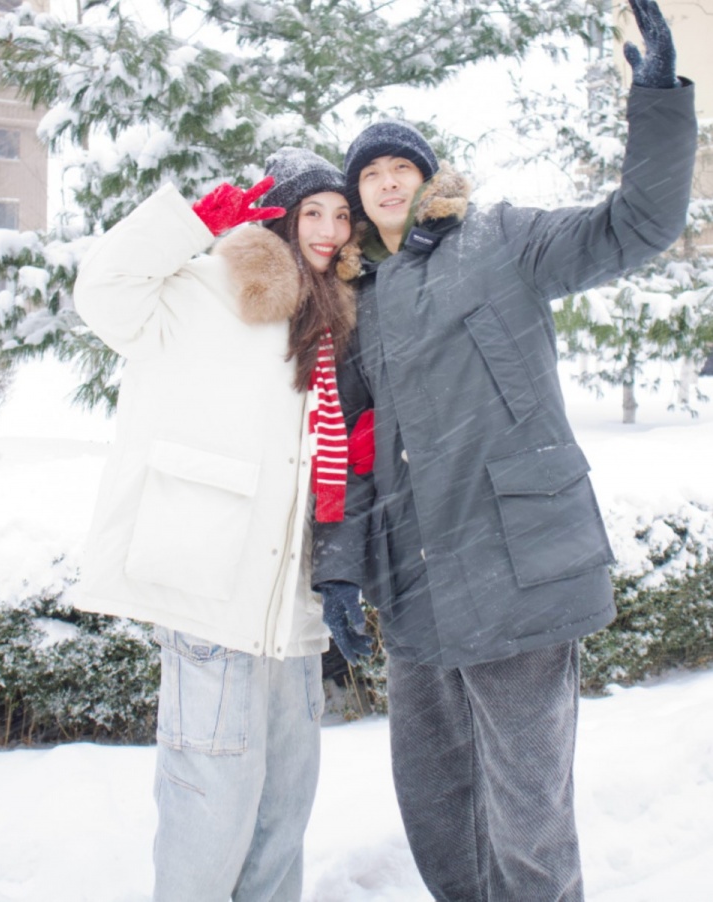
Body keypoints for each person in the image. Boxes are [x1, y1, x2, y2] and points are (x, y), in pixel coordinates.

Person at [312, 1, 697, 899]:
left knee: (528, 810)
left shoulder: (502, 239)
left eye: (403, 167)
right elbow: (352, 452)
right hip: (416, 585)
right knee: (436, 804)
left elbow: (636, 224)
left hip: (516, 568)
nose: (388, 183)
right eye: (371, 174)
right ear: (359, 197)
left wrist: (657, 104)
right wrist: (340, 570)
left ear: (428, 179)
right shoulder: (360, 303)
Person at [72, 147, 356, 902]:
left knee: (282, 812)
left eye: (340, 216)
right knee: (211, 812)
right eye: (312, 212)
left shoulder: (333, 319)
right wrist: (190, 222)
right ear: (280, 219)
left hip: (292, 612)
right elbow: (101, 289)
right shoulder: (203, 290)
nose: (329, 231)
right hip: (212, 595)